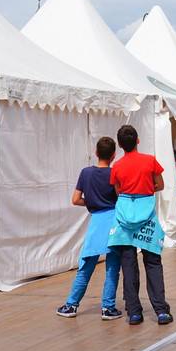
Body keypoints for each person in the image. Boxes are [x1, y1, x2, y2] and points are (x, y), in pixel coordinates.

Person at [109, 124, 173, 325]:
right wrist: (145, 188)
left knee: (128, 264)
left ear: (120, 145)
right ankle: (161, 311)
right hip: (147, 217)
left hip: (124, 219)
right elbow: (160, 185)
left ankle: (134, 312)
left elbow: (118, 192)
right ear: (137, 140)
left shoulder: (117, 166)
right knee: (153, 262)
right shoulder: (149, 161)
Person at [58, 136, 123, 320]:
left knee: (86, 265)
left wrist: (92, 202)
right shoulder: (113, 174)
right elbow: (119, 196)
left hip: (96, 221)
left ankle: (71, 305)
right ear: (113, 156)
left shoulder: (85, 173)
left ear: (96, 153)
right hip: (113, 220)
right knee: (112, 266)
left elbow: (75, 199)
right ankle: (108, 307)